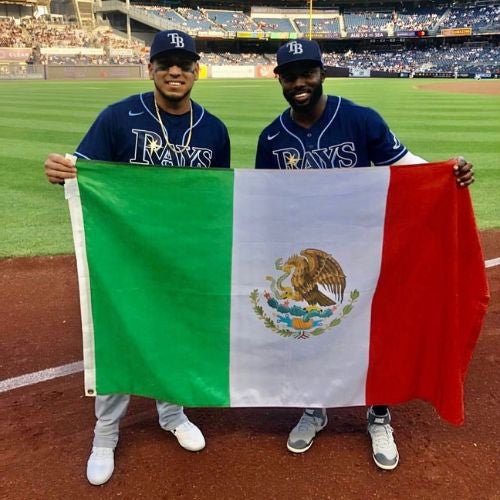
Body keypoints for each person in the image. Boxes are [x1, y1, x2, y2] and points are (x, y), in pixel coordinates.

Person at [255, 39, 474, 470]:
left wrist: (447, 171)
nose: (300, 82)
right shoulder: (272, 137)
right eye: (291, 75)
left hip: (363, 244)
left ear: (322, 73)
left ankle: (378, 414)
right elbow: (266, 199)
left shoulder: (359, 119)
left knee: (373, 331)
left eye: (308, 73)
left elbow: (405, 163)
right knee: (315, 330)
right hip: (312, 252)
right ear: (279, 79)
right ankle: (315, 407)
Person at [44, 29, 230, 486]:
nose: (174, 71)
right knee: (119, 336)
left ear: (195, 71)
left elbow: (216, 198)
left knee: (175, 335)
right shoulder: (118, 117)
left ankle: (172, 412)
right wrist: (64, 172)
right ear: (150, 69)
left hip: (181, 256)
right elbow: (85, 174)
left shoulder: (213, 129)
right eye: (165, 62)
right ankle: (105, 434)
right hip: (126, 256)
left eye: (184, 64)